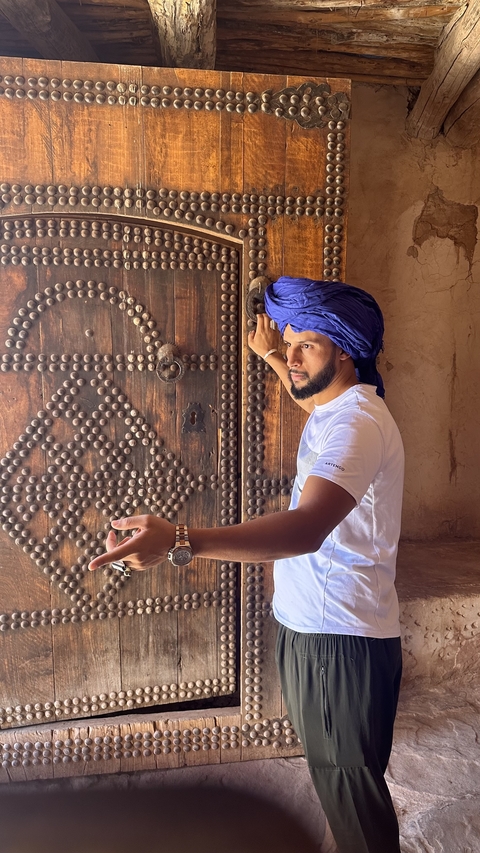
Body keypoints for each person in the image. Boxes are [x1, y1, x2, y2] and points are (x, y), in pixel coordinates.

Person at [88, 276, 405, 853]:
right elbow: (306, 391)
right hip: (318, 633)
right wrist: (273, 358)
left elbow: (307, 529)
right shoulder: (339, 403)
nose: (292, 354)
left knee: (357, 814)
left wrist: (180, 540)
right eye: (289, 341)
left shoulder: (357, 425)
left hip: (336, 642)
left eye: (306, 343)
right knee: (343, 790)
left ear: (345, 349)